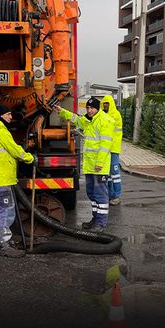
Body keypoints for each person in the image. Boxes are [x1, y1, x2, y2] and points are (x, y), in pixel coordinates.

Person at [0, 104, 34, 258]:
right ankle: (5, 244)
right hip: (1, 177)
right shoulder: (0, 131)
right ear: (0, 115)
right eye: (8, 114)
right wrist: (30, 158)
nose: (11, 117)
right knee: (5, 210)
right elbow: (15, 150)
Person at [53, 97, 115, 233]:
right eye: (87, 108)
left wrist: (99, 163)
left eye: (92, 108)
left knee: (100, 195)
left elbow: (105, 145)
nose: (89, 110)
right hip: (90, 165)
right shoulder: (88, 120)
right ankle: (95, 219)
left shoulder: (105, 121)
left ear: (97, 108)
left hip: (99, 166)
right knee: (92, 194)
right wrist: (61, 111)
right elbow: (76, 119)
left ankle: (101, 223)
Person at [101, 95, 123, 205]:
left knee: (115, 173)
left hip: (113, 148)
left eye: (107, 104)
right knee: (108, 174)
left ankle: (117, 196)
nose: (105, 106)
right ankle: (110, 195)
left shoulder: (115, 115)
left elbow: (107, 125)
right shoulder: (102, 115)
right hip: (105, 149)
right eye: (104, 104)